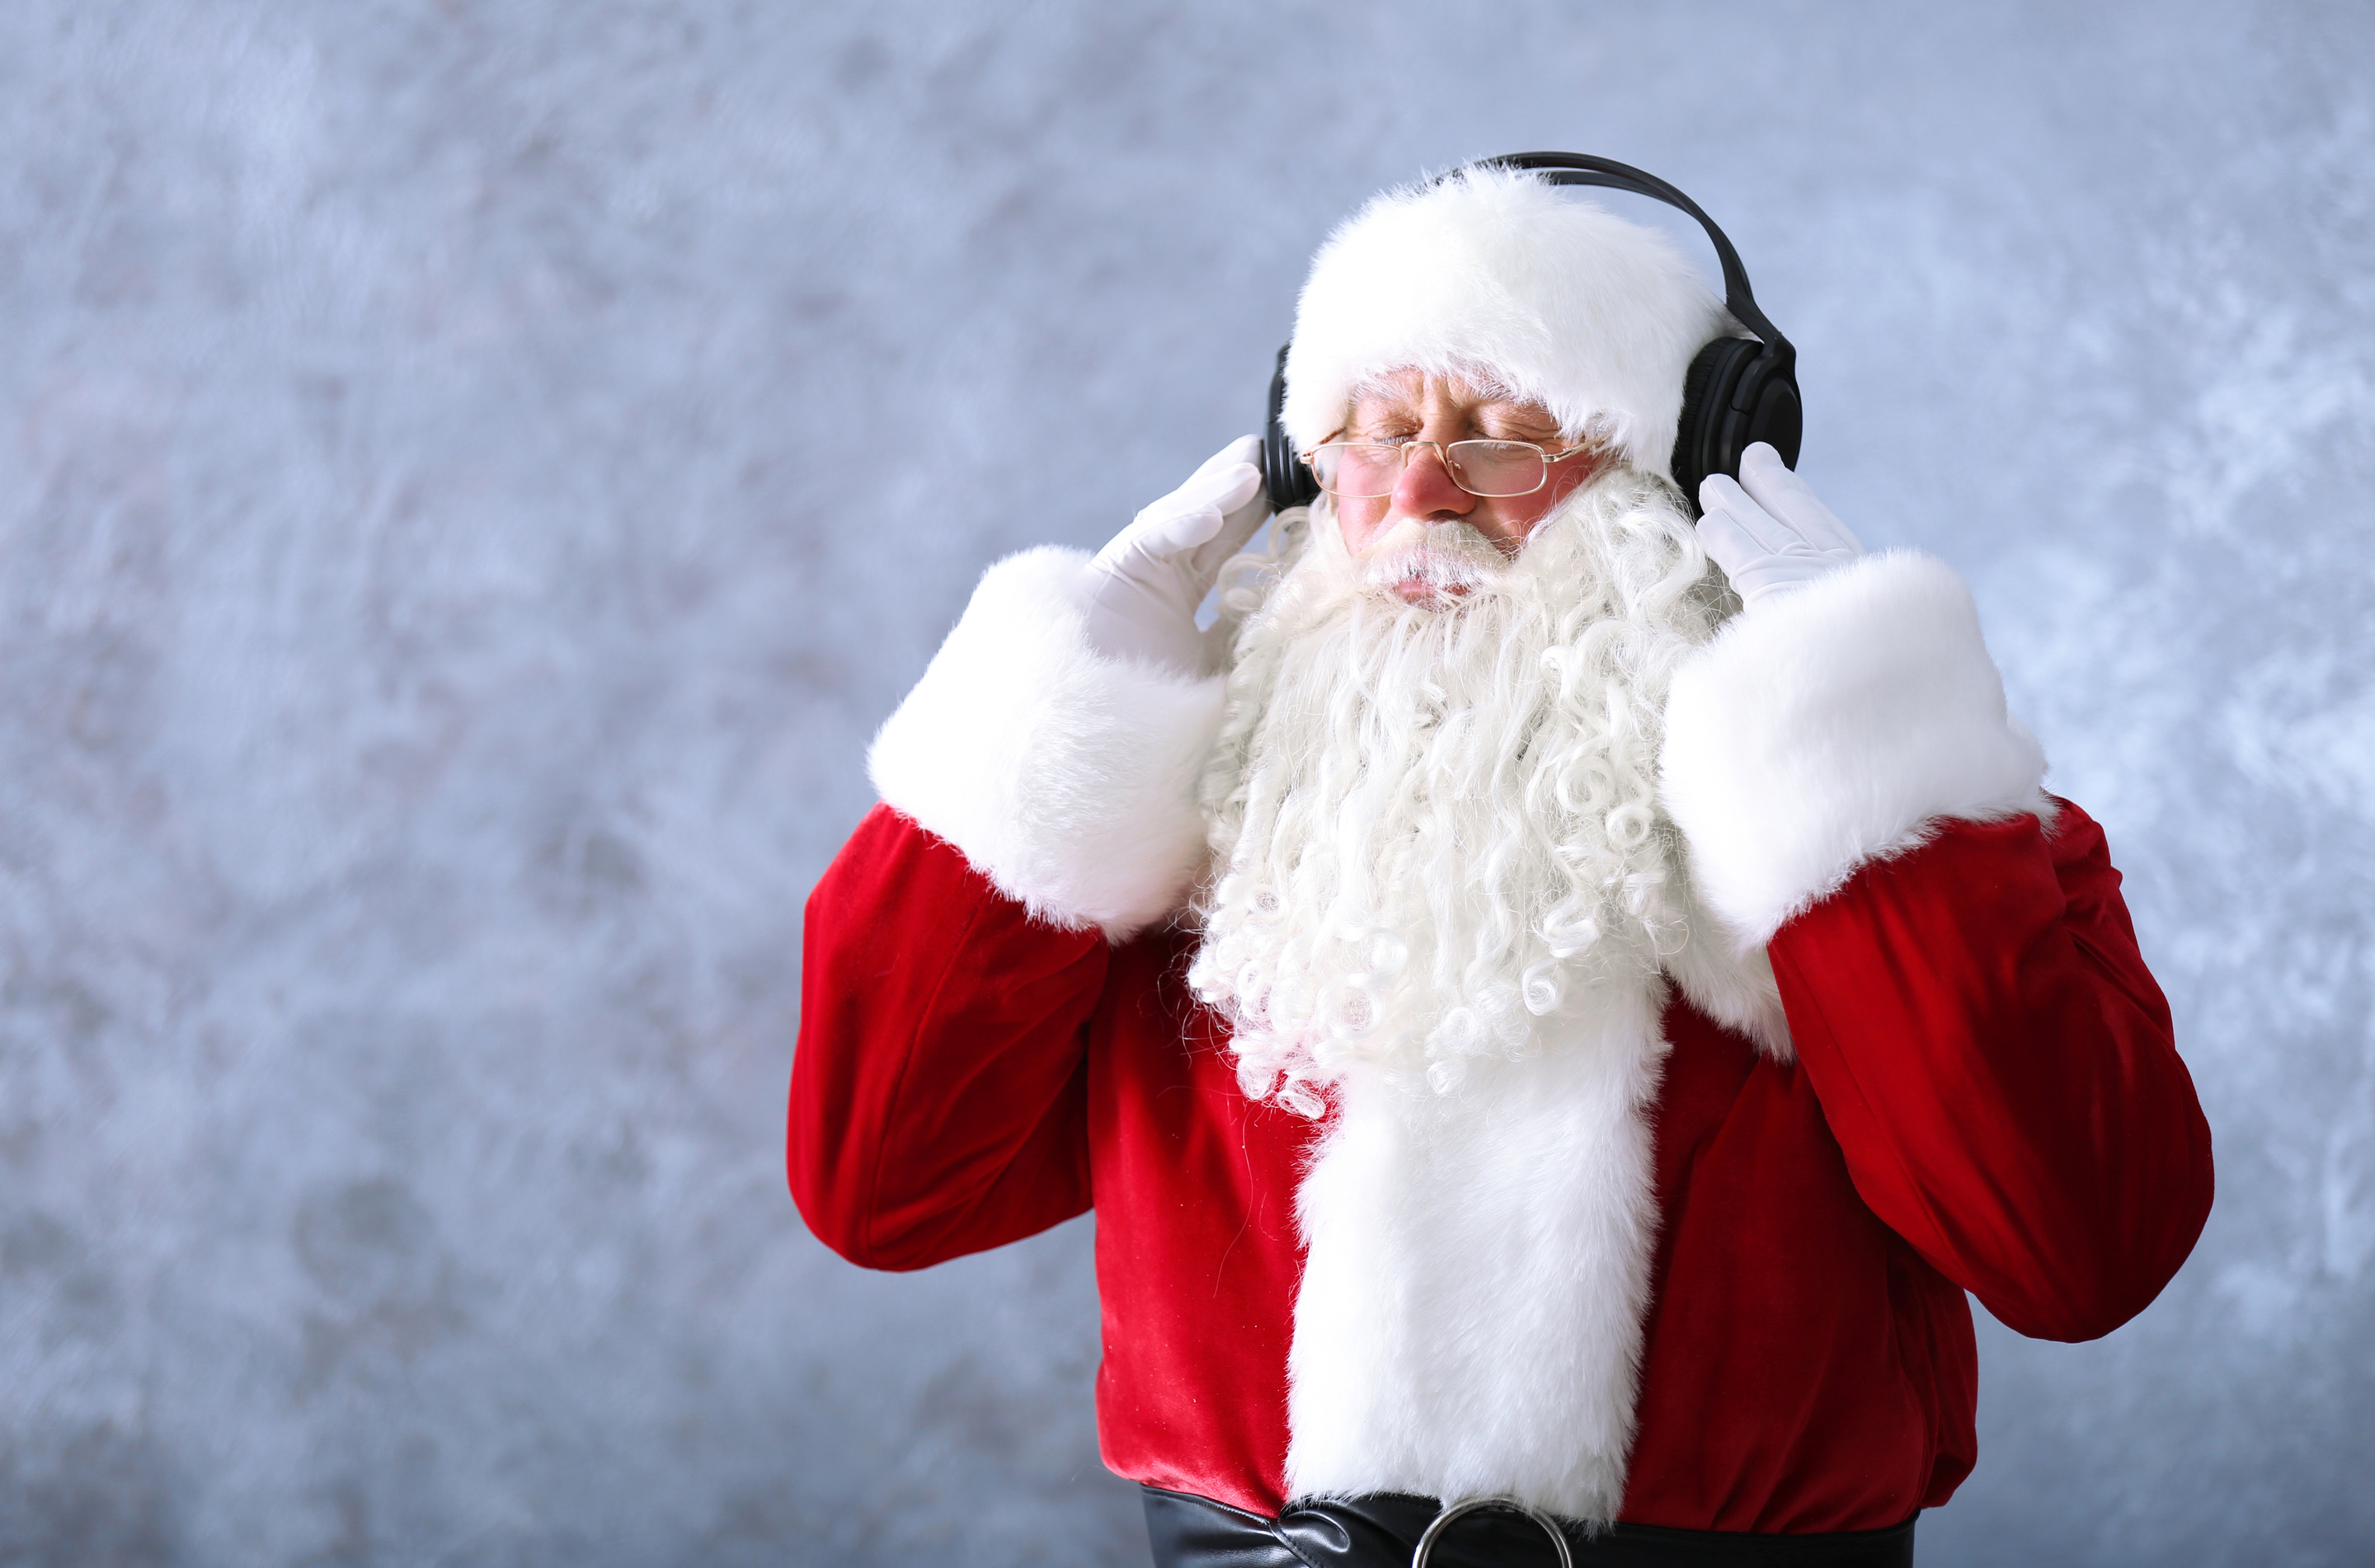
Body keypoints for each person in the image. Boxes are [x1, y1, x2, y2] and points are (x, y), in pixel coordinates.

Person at [788, 165, 2213, 1566]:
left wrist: (1861, 758)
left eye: (1501, 439)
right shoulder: (1178, 841)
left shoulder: (1933, 842)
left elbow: (2075, 1256)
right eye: (1376, 431)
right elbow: (884, 1189)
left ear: (1671, 474)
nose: (1421, 490)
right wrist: (1054, 729)